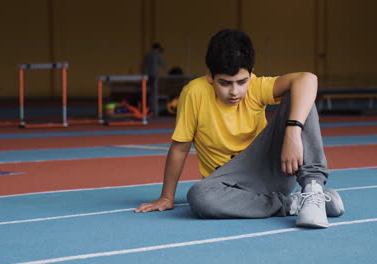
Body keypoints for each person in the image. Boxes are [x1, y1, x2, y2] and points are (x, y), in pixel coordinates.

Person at [135, 29, 344, 228]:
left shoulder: (256, 87)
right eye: (225, 83)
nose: (234, 91)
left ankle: (313, 188)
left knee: (299, 95)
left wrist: (292, 133)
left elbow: (308, 78)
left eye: (241, 82)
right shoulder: (193, 94)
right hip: (227, 186)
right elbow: (180, 149)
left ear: (251, 74)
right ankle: (292, 205)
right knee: (198, 197)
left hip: (274, 169)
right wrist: (166, 197)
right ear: (210, 76)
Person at [142, 43, 168, 117]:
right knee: (154, 94)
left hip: (148, 76)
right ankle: (155, 112)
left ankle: (150, 110)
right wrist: (168, 71)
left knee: (150, 93)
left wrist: (144, 73)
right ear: (158, 48)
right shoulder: (157, 55)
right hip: (155, 76)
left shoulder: (148, 55)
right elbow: (162, 64)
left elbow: (144, 65)